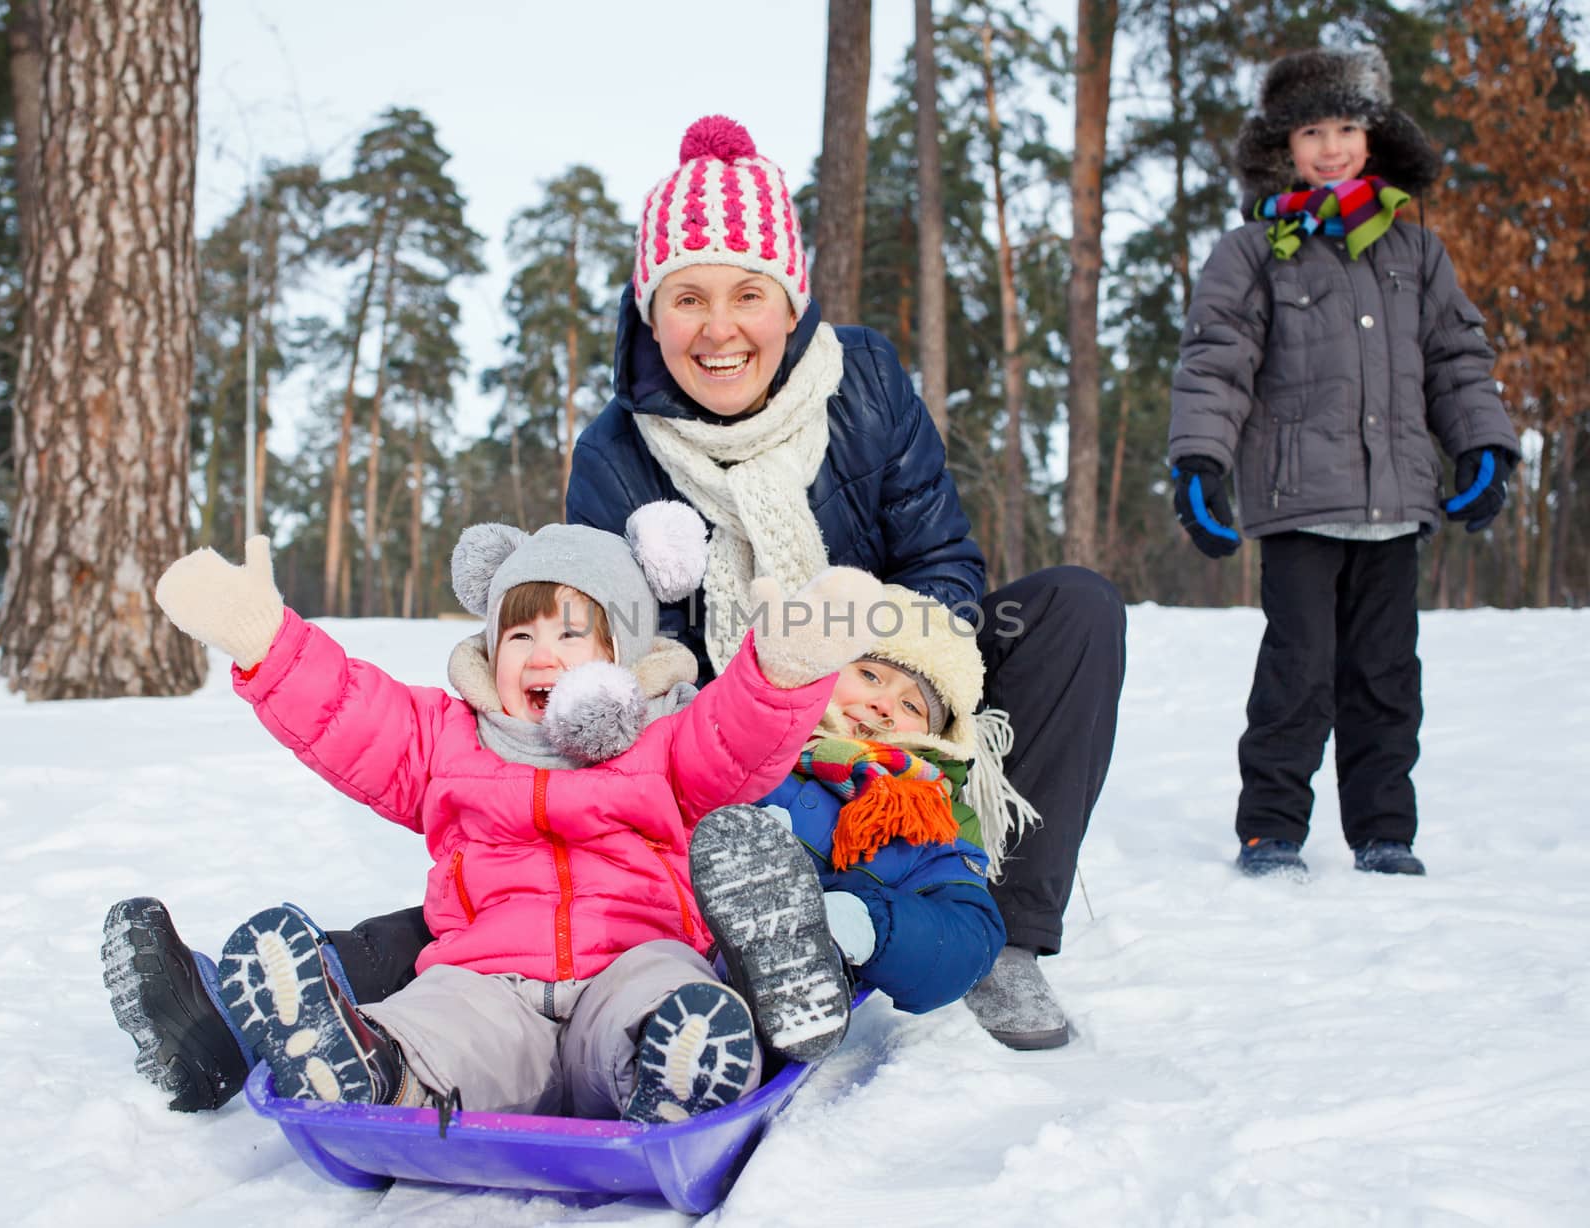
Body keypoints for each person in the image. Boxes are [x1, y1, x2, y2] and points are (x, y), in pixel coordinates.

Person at [102, 114, 1128, 1112]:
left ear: (791, 299)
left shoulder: (863, 383)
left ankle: (1010, 937)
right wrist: (760, 711)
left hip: (880, 690)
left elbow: (940, 559)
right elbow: (624, 647)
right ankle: (243, 1016)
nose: (717, 328)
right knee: (536, 880)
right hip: (724, 745)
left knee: (1074, 607)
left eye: (745, 294)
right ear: (650, 309)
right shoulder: (617, 451)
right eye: (686, 298)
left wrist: (877, 683)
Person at [141, 504, 883, 1123]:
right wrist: (268, 645)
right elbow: (350, 714)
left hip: (627, 963)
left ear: (622, 655)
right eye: (519, 635)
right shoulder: (450, 737)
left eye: (571, 634)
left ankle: (678, 1070)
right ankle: (373, 1069)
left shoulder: (662, 739)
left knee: (666, 996)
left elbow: (734, 738)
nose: (540, 655)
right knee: (439, 1021)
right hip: (489, 979)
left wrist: (784, 669)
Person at [1167, 47, 1520, 879]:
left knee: (1387, 676)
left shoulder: (1416, 254)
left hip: (1396, 506)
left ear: (1374, 138)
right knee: (1297, 673)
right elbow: (1216, 361)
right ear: (1283, 146)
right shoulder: (1254, 251)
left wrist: (1482, 445)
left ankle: (1385, 830)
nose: (1330, 146)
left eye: (1347, 127)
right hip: (1299, 504)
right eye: (1312, 130)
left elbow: (1456, 359)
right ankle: (1272, 828)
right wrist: (1199, 464)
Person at [689, 585, 1011, 1059]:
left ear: (934, 738)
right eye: (869, 675)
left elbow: (972, 936)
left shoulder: (926, 820)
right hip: (665, 932)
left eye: (911, 706)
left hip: (775, 979)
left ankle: (765, 1002)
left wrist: (864, 922)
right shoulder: (741, 736)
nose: (884, 706)